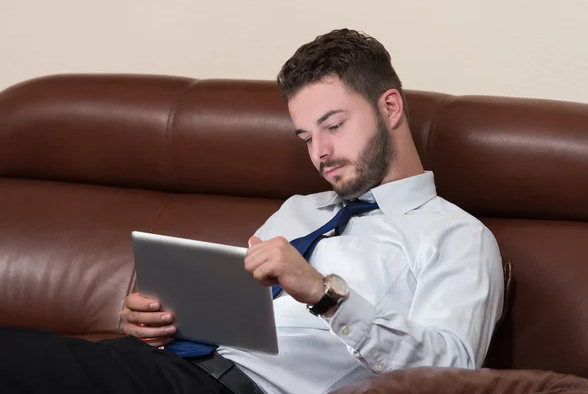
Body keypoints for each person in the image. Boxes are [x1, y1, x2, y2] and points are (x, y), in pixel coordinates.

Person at [0, 28, 504, 394]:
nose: (319, 152)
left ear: (389, 108)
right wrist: (157, 323)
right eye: (306, 137)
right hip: (152, 365)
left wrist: (326, 296)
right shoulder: (298, 211)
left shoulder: (458, 235)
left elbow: (450, 372)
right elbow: (231, 316)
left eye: (334, 125)